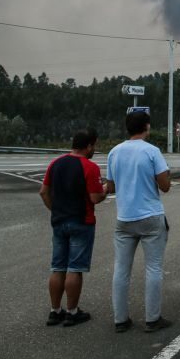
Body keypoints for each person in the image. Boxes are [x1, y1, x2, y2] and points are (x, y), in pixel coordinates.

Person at [106, 111, 172, 333]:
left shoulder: (114, 152)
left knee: (121, 269)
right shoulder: (152, 151)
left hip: (124, 218)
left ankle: (121, 319)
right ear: (146, 127)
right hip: (151, 216)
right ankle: (152, 319)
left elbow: (111, 186)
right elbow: (165, 185)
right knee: (153, 268)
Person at [39, 129, 105, 327]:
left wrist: (55, 209)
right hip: (81, 221)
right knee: (75, 268)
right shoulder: (90, 167)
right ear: (89, 146)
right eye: (94, 146)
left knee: (58, 266)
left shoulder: (55, 163)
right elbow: (94, 197)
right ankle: (72, 312)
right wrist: (106, 191)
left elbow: (43, 192)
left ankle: (54, 310)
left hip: (59, 221)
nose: (94, 150)